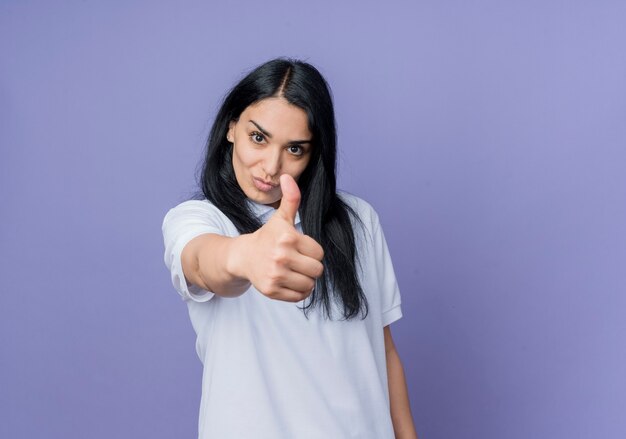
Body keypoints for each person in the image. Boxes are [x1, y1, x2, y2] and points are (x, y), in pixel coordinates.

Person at [161, 58, 418, 439]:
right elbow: (202, 262)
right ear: (232, 127)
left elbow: (384, 353)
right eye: (258, 138)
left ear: (314, 154)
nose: (270, 166)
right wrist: (246, 257)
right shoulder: (198, 220)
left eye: (295, 149)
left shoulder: (359, 220)